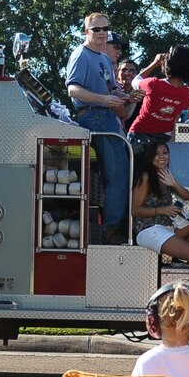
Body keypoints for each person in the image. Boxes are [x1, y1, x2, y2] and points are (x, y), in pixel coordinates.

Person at [130, 139, 189, 316]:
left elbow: (187, 195)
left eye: (165, 153)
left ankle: (180, 255)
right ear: (150, 157)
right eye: (157, 154)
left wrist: (173, 183)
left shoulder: (166, 175)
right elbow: (135, 210)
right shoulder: (145, 176)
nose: (162, 157)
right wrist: (163, 210)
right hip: (149, 230)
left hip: (166, 229)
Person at [66, 13, 132, 243]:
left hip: (106, 118)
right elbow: (73, 90)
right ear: (86, 32)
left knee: (118, 174)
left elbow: (112, 90)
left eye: (105, 28)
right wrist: (104, 101)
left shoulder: (103, 59)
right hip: (93, 118)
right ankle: (112, 229)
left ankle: (113, 225)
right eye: (96, 29)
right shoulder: (80, 55)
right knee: (118, 174)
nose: (102, 32)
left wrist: (129, 96)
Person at [127, 46, 189, 148]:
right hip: (163, 137)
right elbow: (183, 115)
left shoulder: (153, 84)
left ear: (167, 64)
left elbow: (135, 81)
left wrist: (154, 63)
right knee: (159, 163)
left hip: (140, 133)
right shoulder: (188, 93)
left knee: (134, 164)